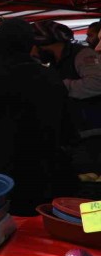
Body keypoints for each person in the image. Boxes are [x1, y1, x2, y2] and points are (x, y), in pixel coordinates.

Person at [0, 19, 76, 215]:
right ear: (29, 44)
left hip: (4, 186)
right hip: (45, 181)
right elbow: (68, 132)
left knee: (14, 238)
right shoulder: (50, 77)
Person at [32, 20, 101, 173]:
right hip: (73, 135)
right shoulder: (56, 62)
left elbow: (97, 84)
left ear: (46, 44)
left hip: (92, 135)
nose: (34, 53)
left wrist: (57, 86)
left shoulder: (83, 55)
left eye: (36, 48)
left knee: (90, 178)